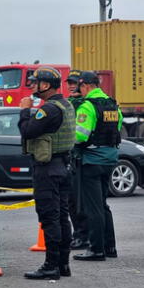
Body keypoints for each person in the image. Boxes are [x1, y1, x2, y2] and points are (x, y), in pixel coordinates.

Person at [18, 66, 76, 280]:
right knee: (62, 216)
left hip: (48, 168)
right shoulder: (66, 104)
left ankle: (51, 265)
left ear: (47, 85)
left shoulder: (49, 109)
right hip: (63, 166)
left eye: (36, 82)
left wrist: (24, 111)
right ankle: (63, 264)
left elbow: (27, 131)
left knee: (49, 217)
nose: (33, 86)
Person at [72, 71, 121, 262]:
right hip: (109, 159)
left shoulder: (87, 106)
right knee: (103, 205)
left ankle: (96, 249)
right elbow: (116, 130)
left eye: (80, 87)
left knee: (93, 208)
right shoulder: (112, 104)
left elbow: (80, 136)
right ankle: (110, 247)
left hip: (92, 160)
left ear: (86, 86)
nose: (80, 91)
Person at [66, 70, 88, 250]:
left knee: (78, 201)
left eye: (75, 83)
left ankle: (82, 236)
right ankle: (79, 234)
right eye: (69, 83)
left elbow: (80, 135)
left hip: (80, 158)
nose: (71, 86)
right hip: (72, 158)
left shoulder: (83, 105)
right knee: (72, 201)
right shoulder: (71, 103)